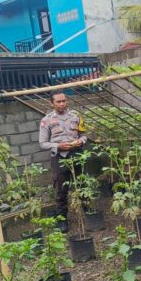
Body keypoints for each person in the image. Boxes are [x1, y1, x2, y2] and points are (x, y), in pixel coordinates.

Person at [39, 90, 87, 228]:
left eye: (64, 101)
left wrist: (81, 142)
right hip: (59, 158)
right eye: (58, 102)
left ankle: (89, 212)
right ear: (52, 103)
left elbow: (84, 135)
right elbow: (42, 143)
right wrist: (58, 146)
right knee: (61, 190)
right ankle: (62, 220)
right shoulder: (46, 120)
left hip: (77, 154)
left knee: (82, 185)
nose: (62, 104)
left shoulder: (76, 116)